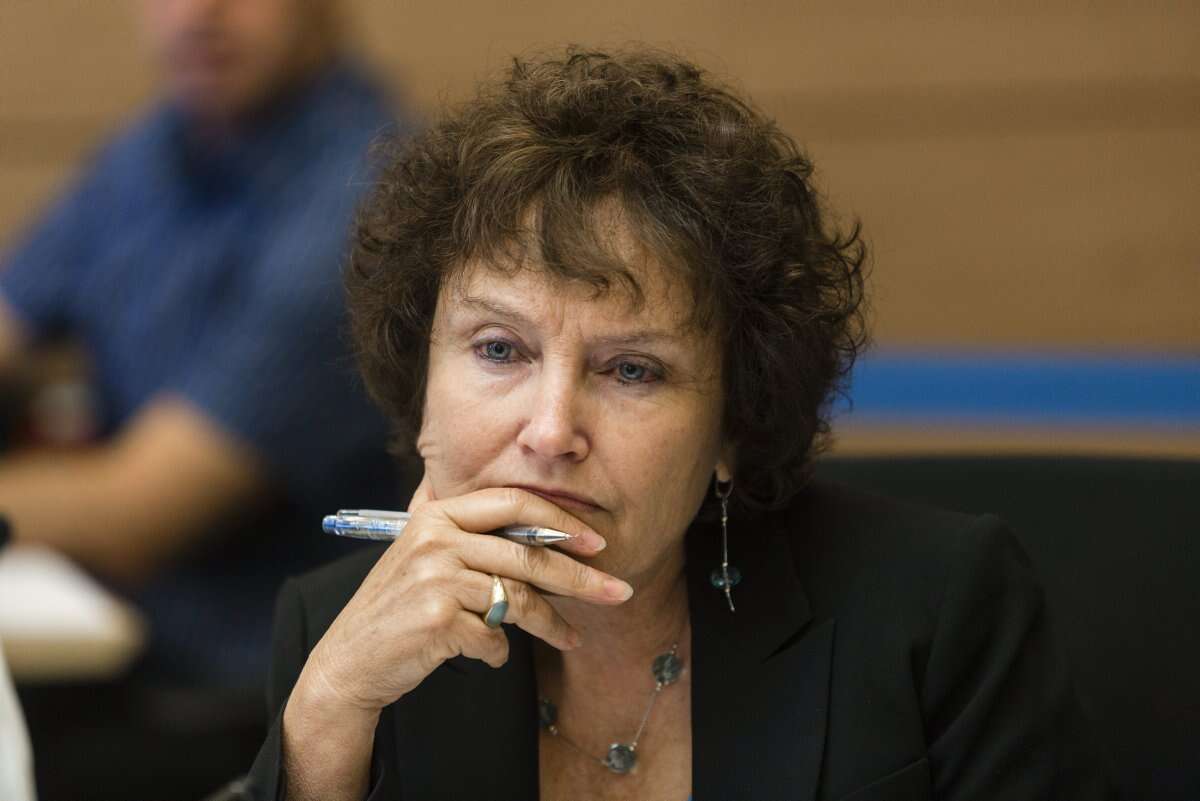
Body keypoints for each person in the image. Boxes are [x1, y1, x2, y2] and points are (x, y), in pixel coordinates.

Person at [244, 48, 1109, 799]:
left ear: (733, 422)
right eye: (501, 349)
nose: (551, 430)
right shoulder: (338, 633)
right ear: (423, 384)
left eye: (632, 369)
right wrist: (323, 721)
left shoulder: (937, 609)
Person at [0, 0, 414, 688]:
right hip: (121, 633)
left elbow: (137, 512)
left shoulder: (362, 198)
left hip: (262, 690)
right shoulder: (158, 148)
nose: (198, 13)